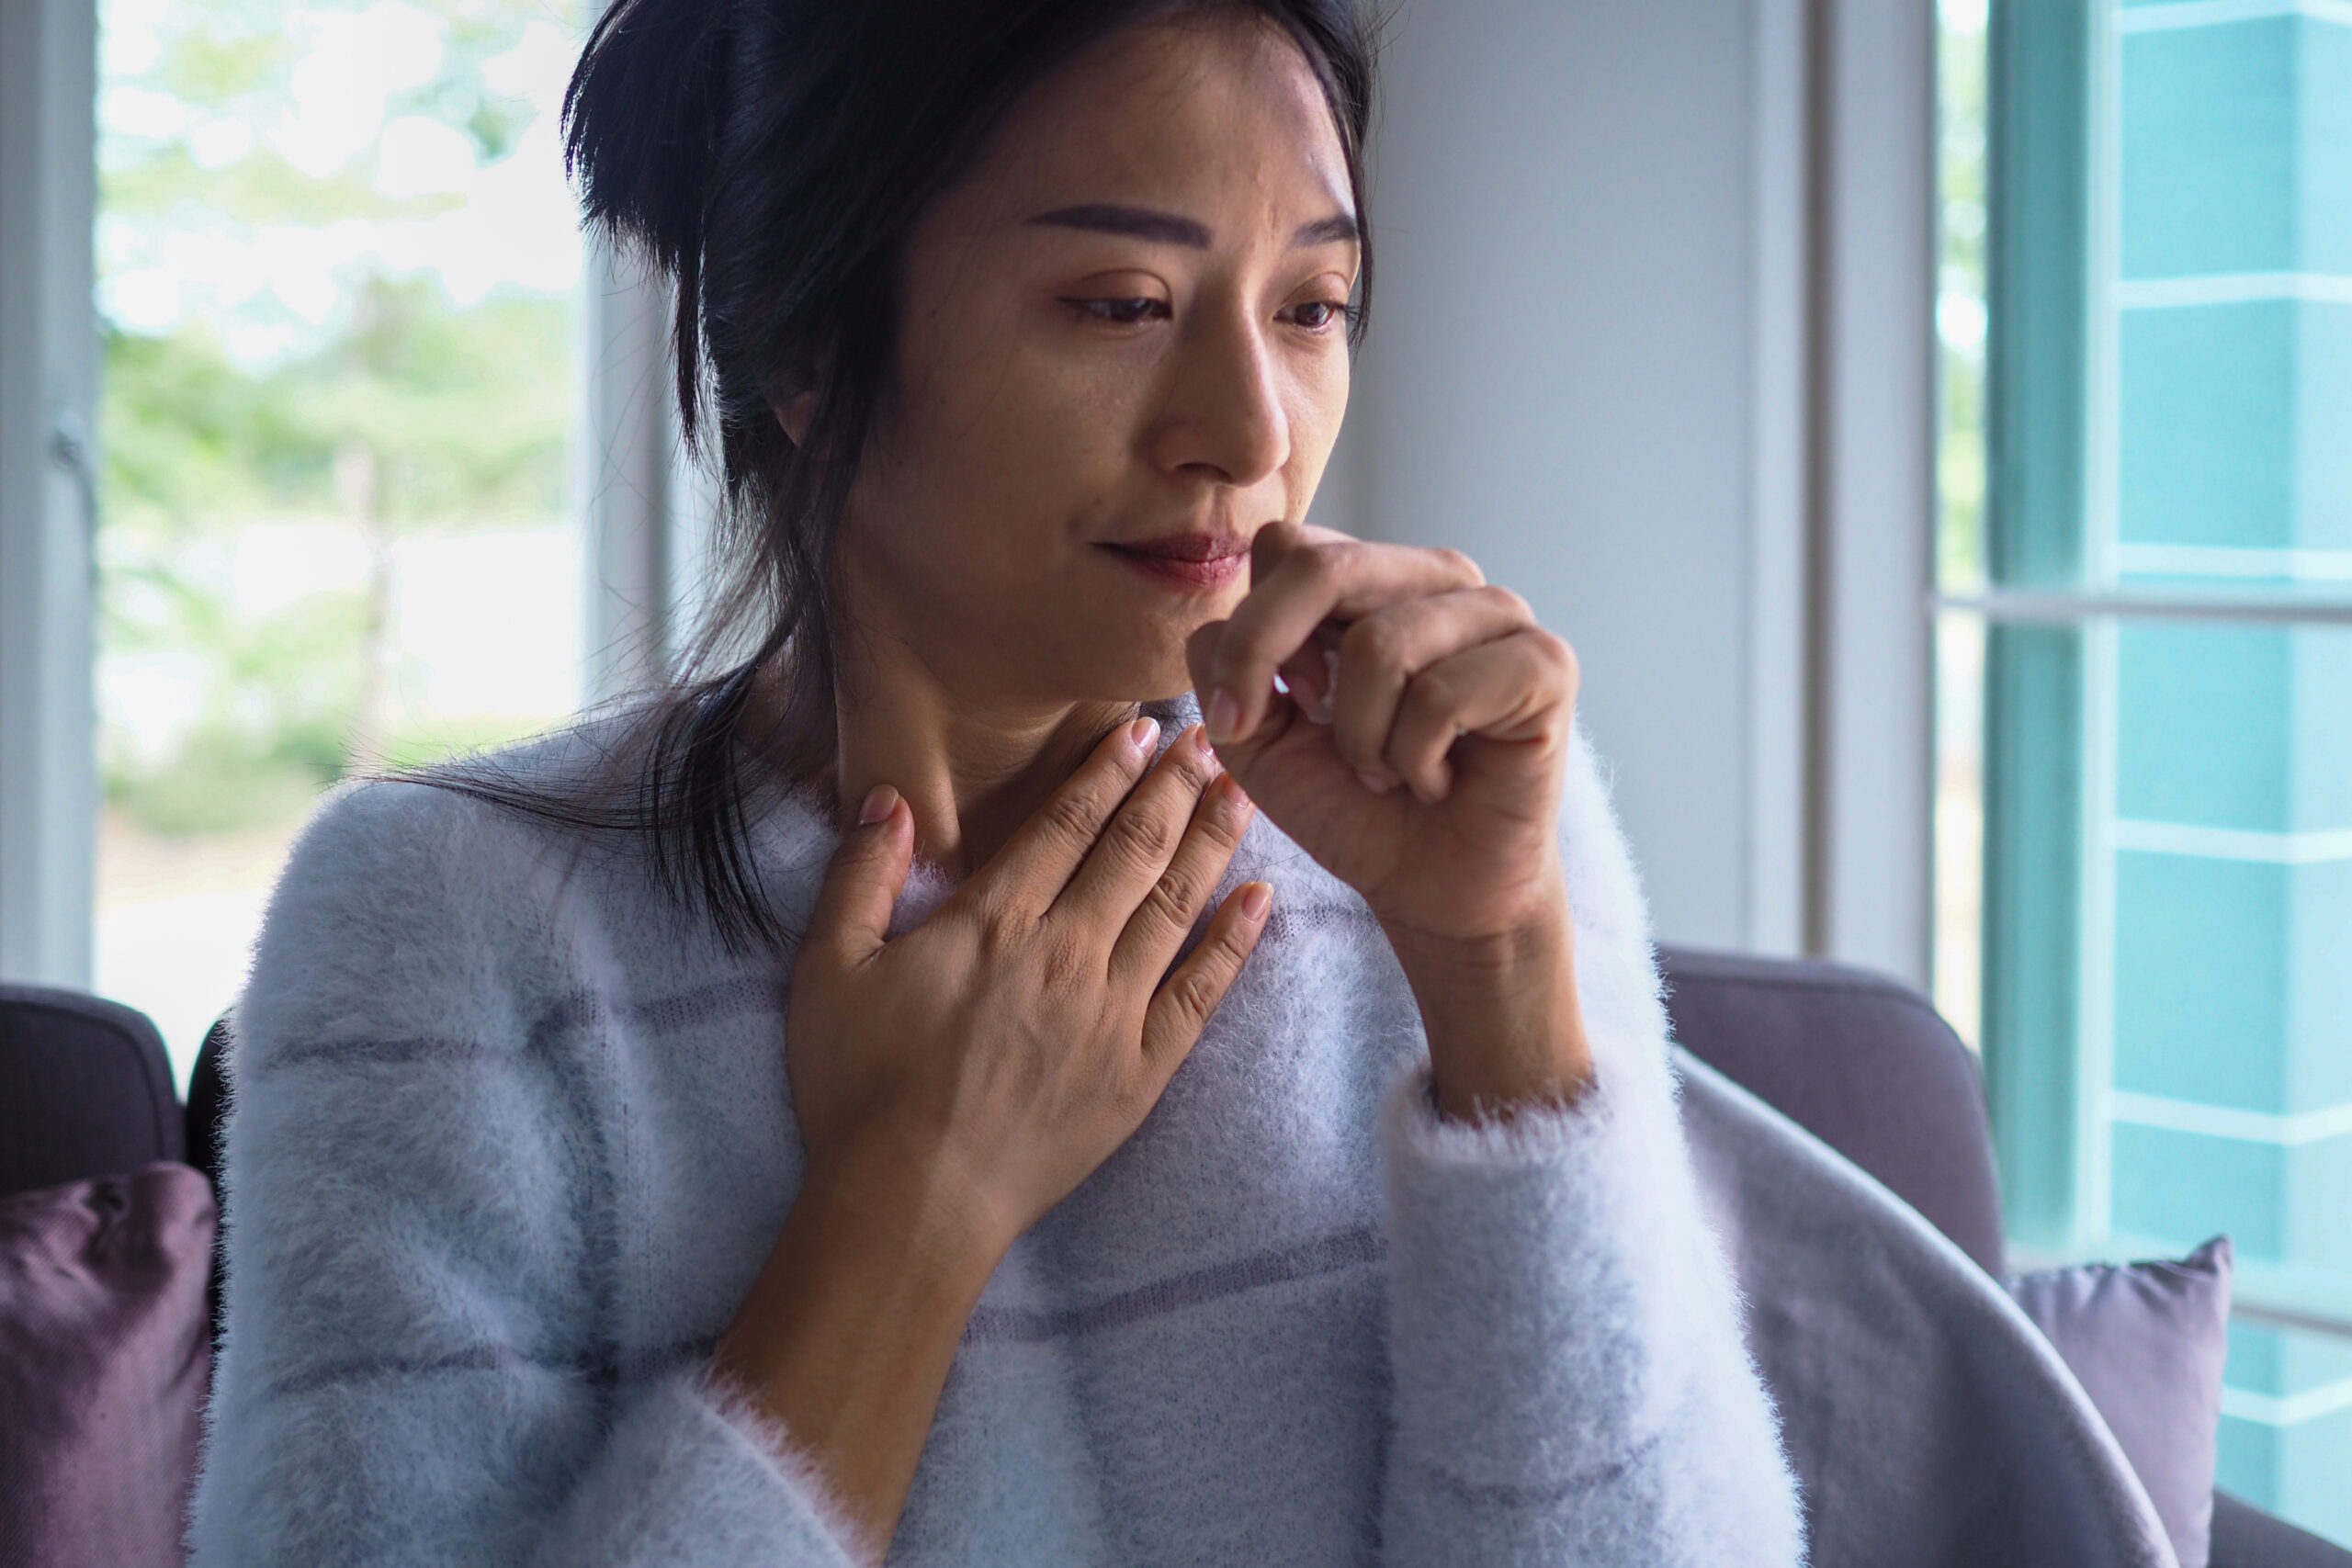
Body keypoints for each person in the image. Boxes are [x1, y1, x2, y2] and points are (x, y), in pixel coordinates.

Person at [189, 1, 1805, 1562]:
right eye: (1123, 303)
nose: (1250, 431)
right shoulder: (438, 925)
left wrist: (1501, 973)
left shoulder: (1463, 823)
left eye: (1312, 306)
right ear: (807, 340)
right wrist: (914, 1200)